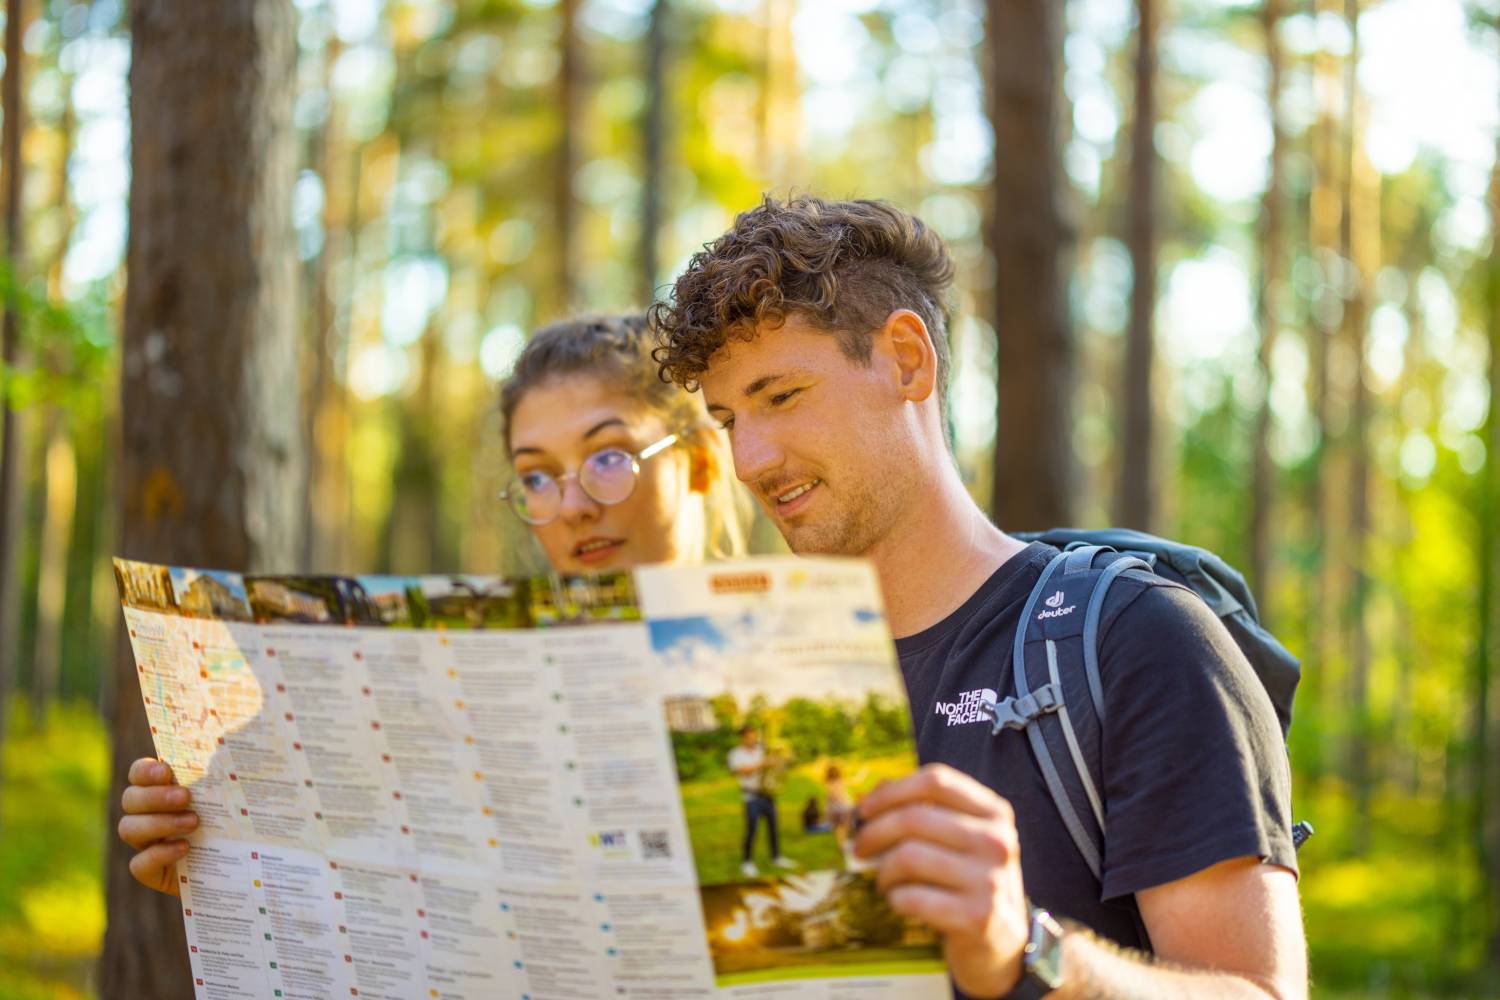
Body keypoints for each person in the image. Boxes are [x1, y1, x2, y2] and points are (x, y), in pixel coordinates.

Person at [651, 195, 1307, 999]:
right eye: (727, 419)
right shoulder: (759, 682)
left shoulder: (1137, 640)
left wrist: (1025, 945)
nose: (750, 459)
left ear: (906, 360)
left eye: (781, 396)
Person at [117, 313, 750, 896]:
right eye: (536, 476)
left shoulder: (788, 651)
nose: (574, 505)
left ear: (697, 462)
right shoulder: (454, 694)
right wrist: (219, 864)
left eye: (607, 458)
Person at [726, 724, 796, 877]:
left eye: (754, 735)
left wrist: (778, 763)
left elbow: (773, 764)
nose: (753, 739)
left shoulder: (760, 751)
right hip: (751, 797)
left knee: (773, 828)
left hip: (768, 794)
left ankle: (776, 858)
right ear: (742, 737)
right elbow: (742, 772)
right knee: (752, 830)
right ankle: (747, 862)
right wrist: (762, 764)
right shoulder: (735, 754)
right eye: (750, 736)